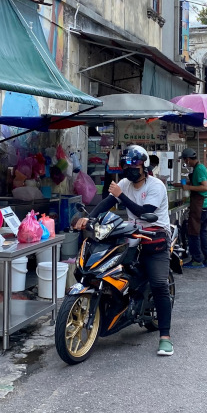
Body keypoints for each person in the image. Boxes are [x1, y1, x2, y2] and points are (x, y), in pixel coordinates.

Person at [73, 145, 174, 356]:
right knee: (108, 269)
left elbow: (144, 211)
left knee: (158, 284)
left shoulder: (156, 186)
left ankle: (165, 337)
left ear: (144, 165)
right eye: (127, 165)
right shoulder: (124, 184)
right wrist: (88, 218)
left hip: (155, 239)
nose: (131, 169)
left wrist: (121, 195)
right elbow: (106, 203)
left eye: (135, 165)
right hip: (131, 235)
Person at [180, 147, 207, 269]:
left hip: (200, 206)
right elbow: (197, 184)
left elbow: (205, 187)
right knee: (203, 232)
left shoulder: (199, 169)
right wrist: (181, 185)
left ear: (188, 159)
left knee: (193, 233)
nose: (185, 162)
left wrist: (188, 188)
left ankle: (197, 259)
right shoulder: (199, 168)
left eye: (185, 160)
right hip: (204, 206)